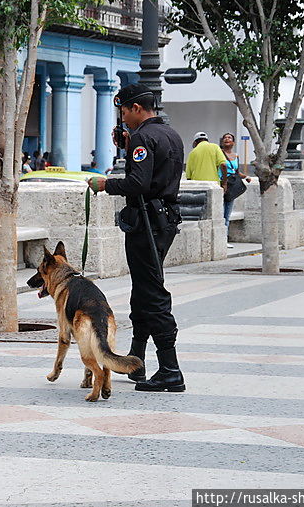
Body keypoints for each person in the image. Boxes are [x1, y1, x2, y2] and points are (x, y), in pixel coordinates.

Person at [86, 83, 186, 393]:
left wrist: (106, 185)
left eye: (125, 111)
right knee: (143, 291)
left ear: (137, 108)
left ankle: (171, 369)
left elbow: (139, 183)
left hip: (147, 223)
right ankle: (137, 361)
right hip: (163, 219)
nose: (123, 117)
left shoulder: (144, 137)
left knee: (152, 295)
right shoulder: (171, 134)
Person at [219, 133, 251, 248]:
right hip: (221, 184)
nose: (227, 139)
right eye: (225, 138)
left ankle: (224, 239)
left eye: (230, 138)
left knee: (227, 212)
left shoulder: (236, 156)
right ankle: (220, 239)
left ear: (233, 143)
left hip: (231, 186)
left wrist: (246, 177)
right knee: (219, 212)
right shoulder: (219, 153)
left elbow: (236, 172)